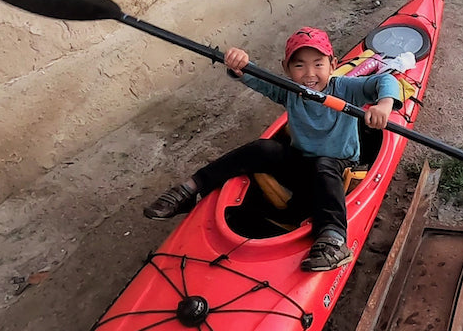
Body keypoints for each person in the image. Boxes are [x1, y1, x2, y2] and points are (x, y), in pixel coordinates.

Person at [144, 27, 401, 271]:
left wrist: (384, 105)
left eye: (318, 64)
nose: (309, 73)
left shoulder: (346, 88)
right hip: (300, 165)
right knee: (261, 148)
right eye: (299, 65)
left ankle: (334, 238)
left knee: (325, 165)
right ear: (286, 69)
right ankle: (190, 189)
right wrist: (240, 65)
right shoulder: (290, 91)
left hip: (338, 166)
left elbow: (385, 80)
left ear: (333, 65)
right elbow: (257, 79)